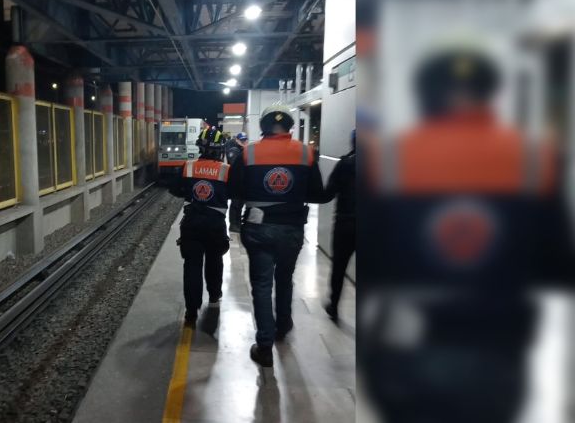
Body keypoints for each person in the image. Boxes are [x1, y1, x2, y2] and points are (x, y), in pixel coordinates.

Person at [359, 48, 574, 422]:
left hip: (411, 330)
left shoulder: (387, 156)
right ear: (491, 92)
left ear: (425, 95)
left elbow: (373, 254)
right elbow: (555, 261)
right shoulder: (536, 156)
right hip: (498, 330)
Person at [229, 104, 324, 367]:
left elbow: (233, 190)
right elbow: (316, 194)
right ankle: (283, 325)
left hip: (259, 228)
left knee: (261, 284)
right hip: (292, 228)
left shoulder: (248, 153)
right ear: (290, 126)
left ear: (263, 126)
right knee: (285, 279)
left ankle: (265, 345)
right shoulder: (306, 153)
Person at [168, 127, 230, 325]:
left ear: (200, 147)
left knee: (192, 266)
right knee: (214, 260)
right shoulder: (226, 170)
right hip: (215, 226)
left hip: (192, 224)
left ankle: (191, 311)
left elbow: (175, 189)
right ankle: (214, 295)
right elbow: (235, 192)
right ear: (220, 149)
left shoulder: (188, 167)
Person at [318, 130, 356, 322]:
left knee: (339, 267)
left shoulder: (345, 164)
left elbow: (328, 193)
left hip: (346, 223)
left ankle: (333, 306)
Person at [225, 132, 248, 233]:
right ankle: (233, 225)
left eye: (245, 140)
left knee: (240, 204)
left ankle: (238, 223)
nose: (244, 141)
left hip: (242, 182)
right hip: (235, 181)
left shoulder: (242, 150)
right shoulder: (234, 150)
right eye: (242, 140)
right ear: (237, 140)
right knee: (235, 204)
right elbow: (235, 165)